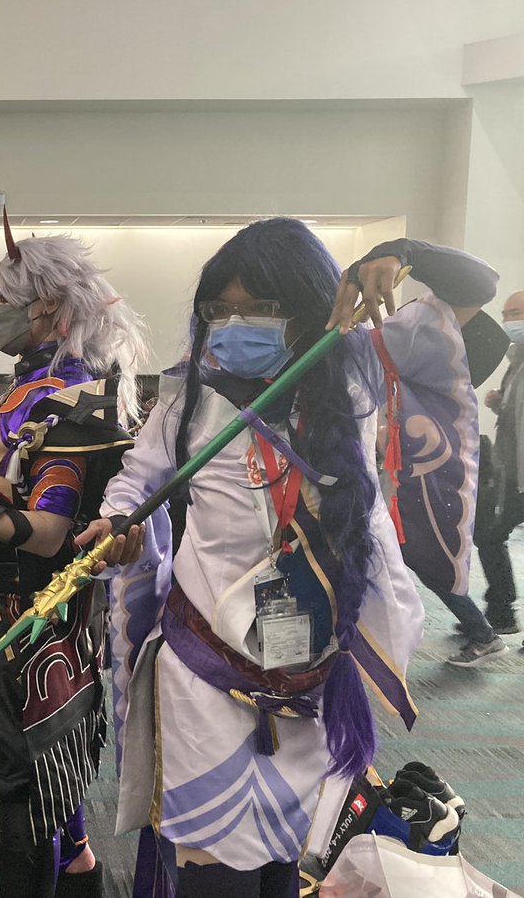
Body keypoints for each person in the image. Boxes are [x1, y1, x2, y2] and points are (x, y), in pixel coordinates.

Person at [81, 220, 496, 896]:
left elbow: (477, 289)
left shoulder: (356, 367)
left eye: (260, 308)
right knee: (215, 875)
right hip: (204, 673)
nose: (234, 326)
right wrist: (116, 519)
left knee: (290, 866)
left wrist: (404, 254)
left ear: (307, 307)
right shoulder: (191, 393)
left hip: (313, 675)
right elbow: (139, 477)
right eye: (220, 311)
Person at [0, 221, 145, 898]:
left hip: (45, 613)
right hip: (7, 600)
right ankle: (79, 873)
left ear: (53, 305)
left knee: (25, 772)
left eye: (8, 300)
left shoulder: (74, 400)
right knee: (42, 761)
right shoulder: (30, 387)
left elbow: (48, 532)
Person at [477, 290, 524, 637]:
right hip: (511, 472)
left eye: (517, 313)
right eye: (507, 314)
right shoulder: (516, 359)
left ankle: (501, 610)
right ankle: (501, 611)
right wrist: (499, 406)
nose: (509, 321)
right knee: (489, 535)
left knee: (490, 535)